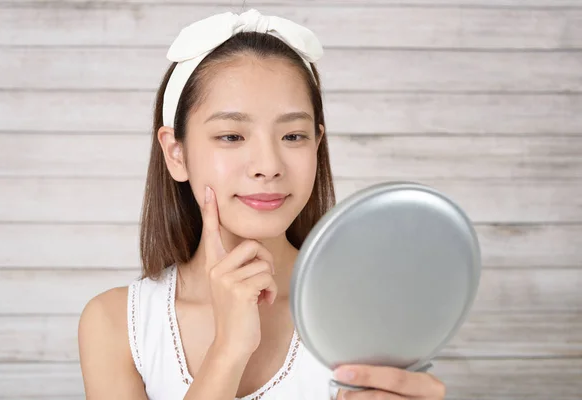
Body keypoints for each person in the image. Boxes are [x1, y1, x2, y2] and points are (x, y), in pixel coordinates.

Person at [78, 8, 447, 400]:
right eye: (232, 136)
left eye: (293, 136)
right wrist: (228, 351)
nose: (269, 166)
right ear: (176, 153)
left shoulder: (371, 311)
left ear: (317, 145)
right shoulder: (116, 322)